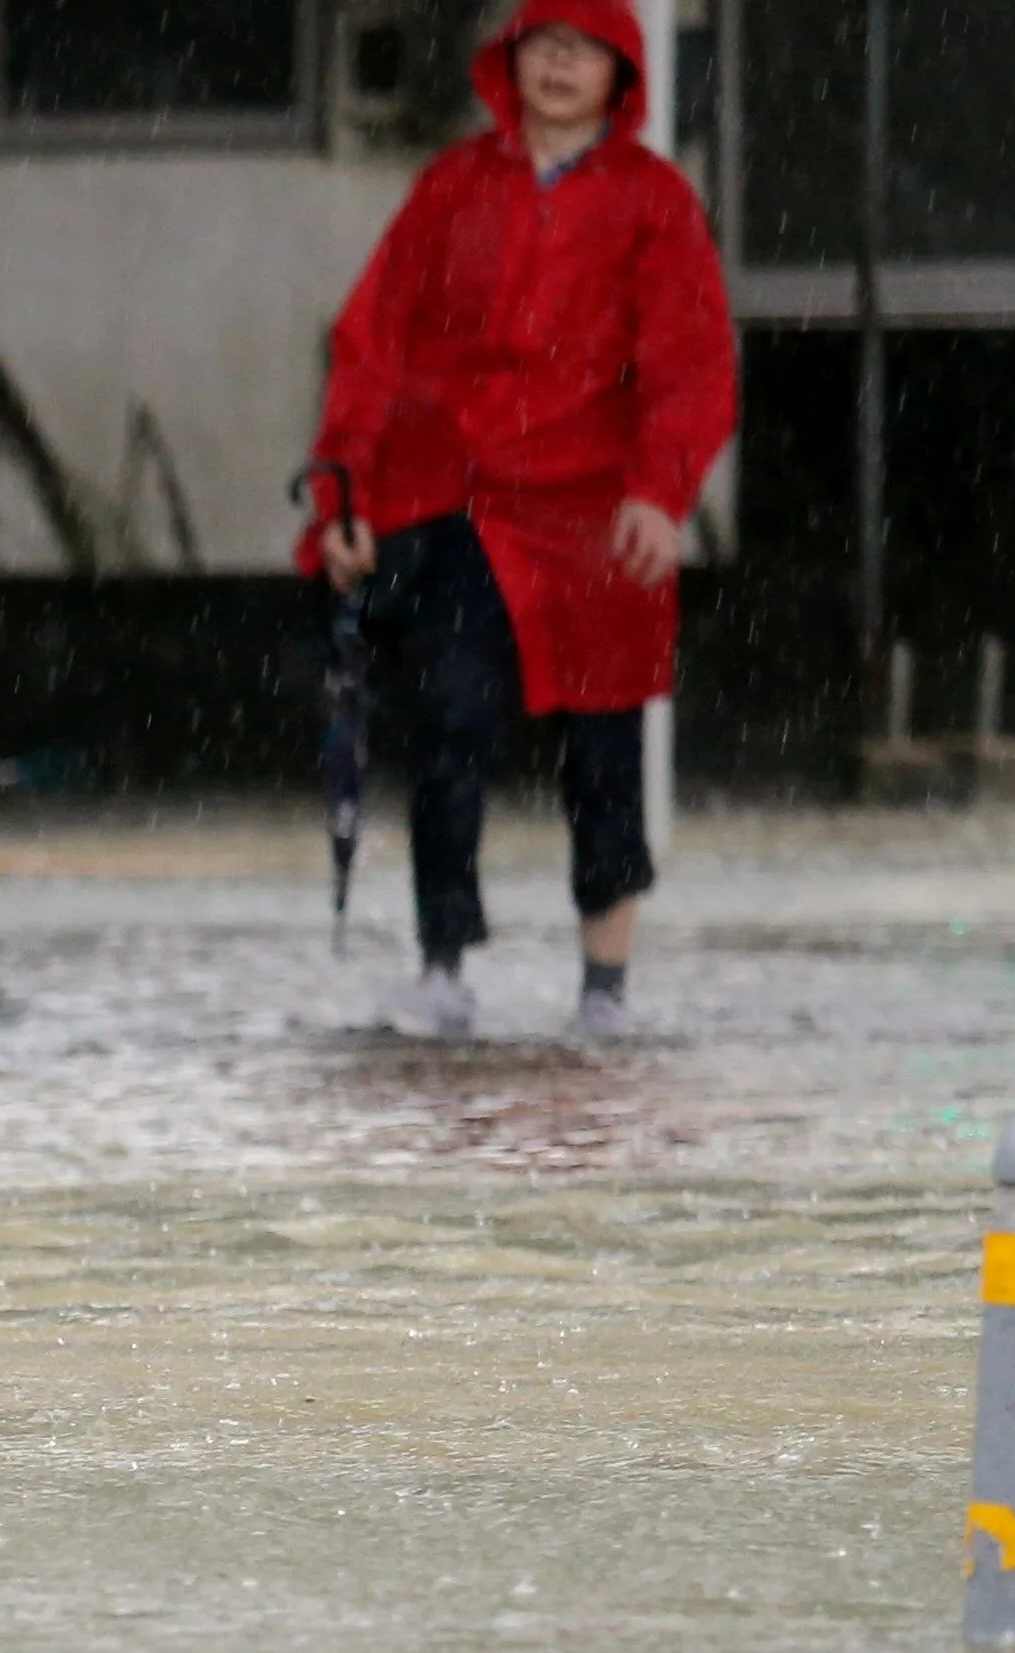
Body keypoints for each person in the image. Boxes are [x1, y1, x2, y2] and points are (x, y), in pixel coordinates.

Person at [305, 0, 734, 1041]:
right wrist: (343, 495)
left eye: (581, 49)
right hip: (456, 505)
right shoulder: (450, 188)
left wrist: (657, 489)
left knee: (602, 748)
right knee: (445, 726)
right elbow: (369, 344)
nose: (556, 66)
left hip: (597, 516)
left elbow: (687, 360)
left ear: (618, 74)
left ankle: (604, 989)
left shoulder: (653, 203)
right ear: (506, 61)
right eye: (539, 44)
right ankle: (441, 965)